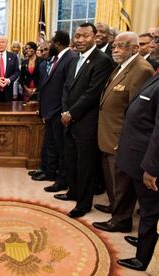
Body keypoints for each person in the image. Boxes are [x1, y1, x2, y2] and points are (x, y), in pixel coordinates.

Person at [92, 32, 154, 231]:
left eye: (122, 46)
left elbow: (136, 111)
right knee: (113, 179)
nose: (116, 50)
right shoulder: (121, 65)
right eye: (114, 46)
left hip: (121, 137)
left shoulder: (141, 70)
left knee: (121, 182)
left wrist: (123, 138)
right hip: (108, 133)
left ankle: (121, 220)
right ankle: (115, 208)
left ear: (135, 48)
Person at [54, 23, 114, 218]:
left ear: (94, 37)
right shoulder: (74, 59)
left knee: (85, 165)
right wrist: (65, 111)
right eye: (77, 36)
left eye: (84, 36)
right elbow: (66, 88)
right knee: (71, 160)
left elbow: (92, 93)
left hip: (85, 122)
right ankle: (73, 192)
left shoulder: (102, 60)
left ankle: (84, 203)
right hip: (69, 119)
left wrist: (71, 113)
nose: (79, 40)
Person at [115, 73, 159, 271]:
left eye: (156, 40)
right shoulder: (156, 75)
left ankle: (143, 258)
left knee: (150, 211)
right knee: (144, 206)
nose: (152, 44)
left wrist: (152, 167)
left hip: (148, 163)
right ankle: (144, 240)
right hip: (136, 155)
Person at [38, 31, 76, 192]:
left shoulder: (71, 58)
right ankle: (50, 173)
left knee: (62, 149)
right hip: (51, 111)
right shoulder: (60, 58)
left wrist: (63, 111)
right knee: (52, 145)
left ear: (58, 43)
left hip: (59, 112)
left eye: (52, 42)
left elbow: (68, 89)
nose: (49, 45)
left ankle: (62, 181)